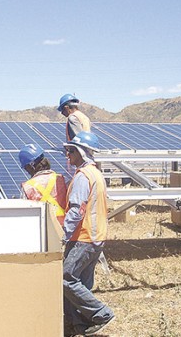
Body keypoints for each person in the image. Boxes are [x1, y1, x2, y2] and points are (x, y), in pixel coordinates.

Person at [62, 131, 115, 337]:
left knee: (66, 278)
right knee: (81, 284)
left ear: (82, 152)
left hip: (83, 237)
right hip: (97, 237)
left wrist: (63, 234)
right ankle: (80, 326)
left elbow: (77, 209)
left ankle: (101, 313)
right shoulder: (97, 174)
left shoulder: (83, 177)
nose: (68, 155)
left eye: (71, 151)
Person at [19, 143, 68, 227]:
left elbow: (25, 215)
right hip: (65, 229)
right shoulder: (63, 180)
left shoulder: (28, 187)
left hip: (41, 230)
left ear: (31, 166)